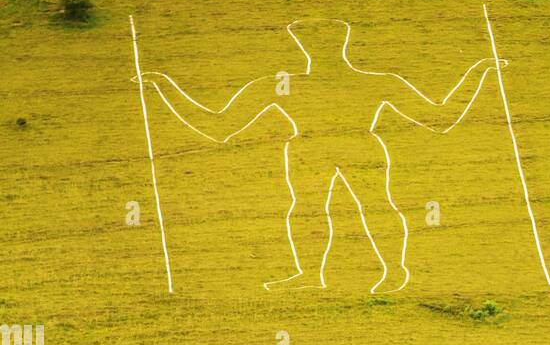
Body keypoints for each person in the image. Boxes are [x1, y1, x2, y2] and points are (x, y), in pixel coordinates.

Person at [139, 18, 504, 294]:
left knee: (372, 204)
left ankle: (392, 270)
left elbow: (439, 119)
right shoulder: (292, 84)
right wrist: (161, 86)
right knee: (310, 208)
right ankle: (313, 274)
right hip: (311, 148)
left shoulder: (369, 81)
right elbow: (220, 126)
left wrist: (480, 71)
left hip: (349, 146)